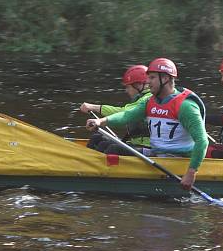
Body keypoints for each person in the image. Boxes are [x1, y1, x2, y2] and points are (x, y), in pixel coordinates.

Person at [87, 58, 208, 189]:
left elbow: (202, 141)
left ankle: (97, 183)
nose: (147, 82)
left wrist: (191, 173)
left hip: (178, 158)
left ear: (166, 78)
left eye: (152, 77)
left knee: (114, 150)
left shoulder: (186, 106)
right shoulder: (151, 101)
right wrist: (100, 121)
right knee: (111, 147)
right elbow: (126, 115)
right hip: (157, 153)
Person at [79, 64, 151, 154]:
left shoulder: (148, 98)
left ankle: (93, 165)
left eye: (128, 87)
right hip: (136, 144)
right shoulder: (140, 99)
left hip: (149, 147)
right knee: (97, 138)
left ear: (139, 85)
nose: (126, 90)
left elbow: (123, 113)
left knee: (113, 148)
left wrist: (94, 107)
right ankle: (87, 162)